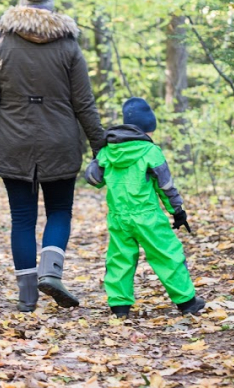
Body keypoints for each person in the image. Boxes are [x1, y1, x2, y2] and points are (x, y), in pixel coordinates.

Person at [0, 0, 105, 312]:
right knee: (59, 211)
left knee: (22, 218)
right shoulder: (68, 45)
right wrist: (100, 146)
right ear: (51, 6)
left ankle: (27, 296)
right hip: (60, 141)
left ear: (20, 5)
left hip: (12, 143)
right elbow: (84, 103)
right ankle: (51, 273)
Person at [84, 97, 205, 318]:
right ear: (145, 129)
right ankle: (187, 302)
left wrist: (97, 157)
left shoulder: (108, 152)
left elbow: (93, 179)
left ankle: (120, 306)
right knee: (167, 254)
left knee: (119, 259)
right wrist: (177, 211)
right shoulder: (150, 151)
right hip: (148, 216)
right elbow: (165, 186)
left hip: (119, 218)